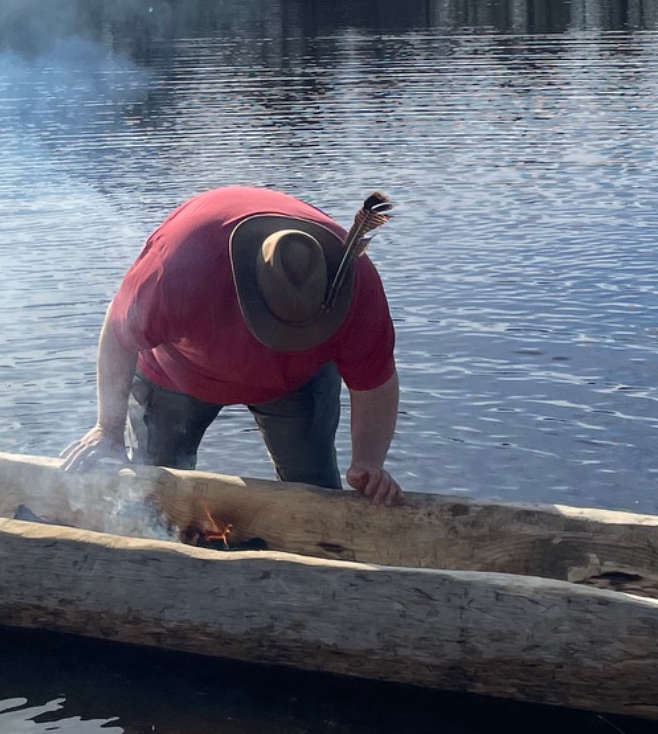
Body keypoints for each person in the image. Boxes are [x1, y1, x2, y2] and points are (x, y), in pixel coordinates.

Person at [59, 185, 403, 499]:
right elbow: (119, 334)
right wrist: (108, 427)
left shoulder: (356, 285)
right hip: (176, 375)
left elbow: (375, 382)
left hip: (298, 383)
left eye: (298, 329)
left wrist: (368, 462)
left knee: (315, 493)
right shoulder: (180, 268)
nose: (281, 343)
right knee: (150, 489)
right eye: (276, 329)